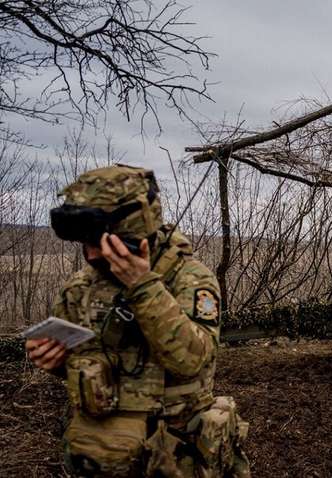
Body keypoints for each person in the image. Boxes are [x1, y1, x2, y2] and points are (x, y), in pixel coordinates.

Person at [25, 164, 250, 477]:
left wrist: (142, 286)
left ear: (134, 236)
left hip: (171, 454)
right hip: (100, 452)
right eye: (85, 243)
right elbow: (90, 362)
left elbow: (193, 361)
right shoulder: (81, 287)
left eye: (100, 243)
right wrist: (56, 361)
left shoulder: (189, 279)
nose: (91, 255)